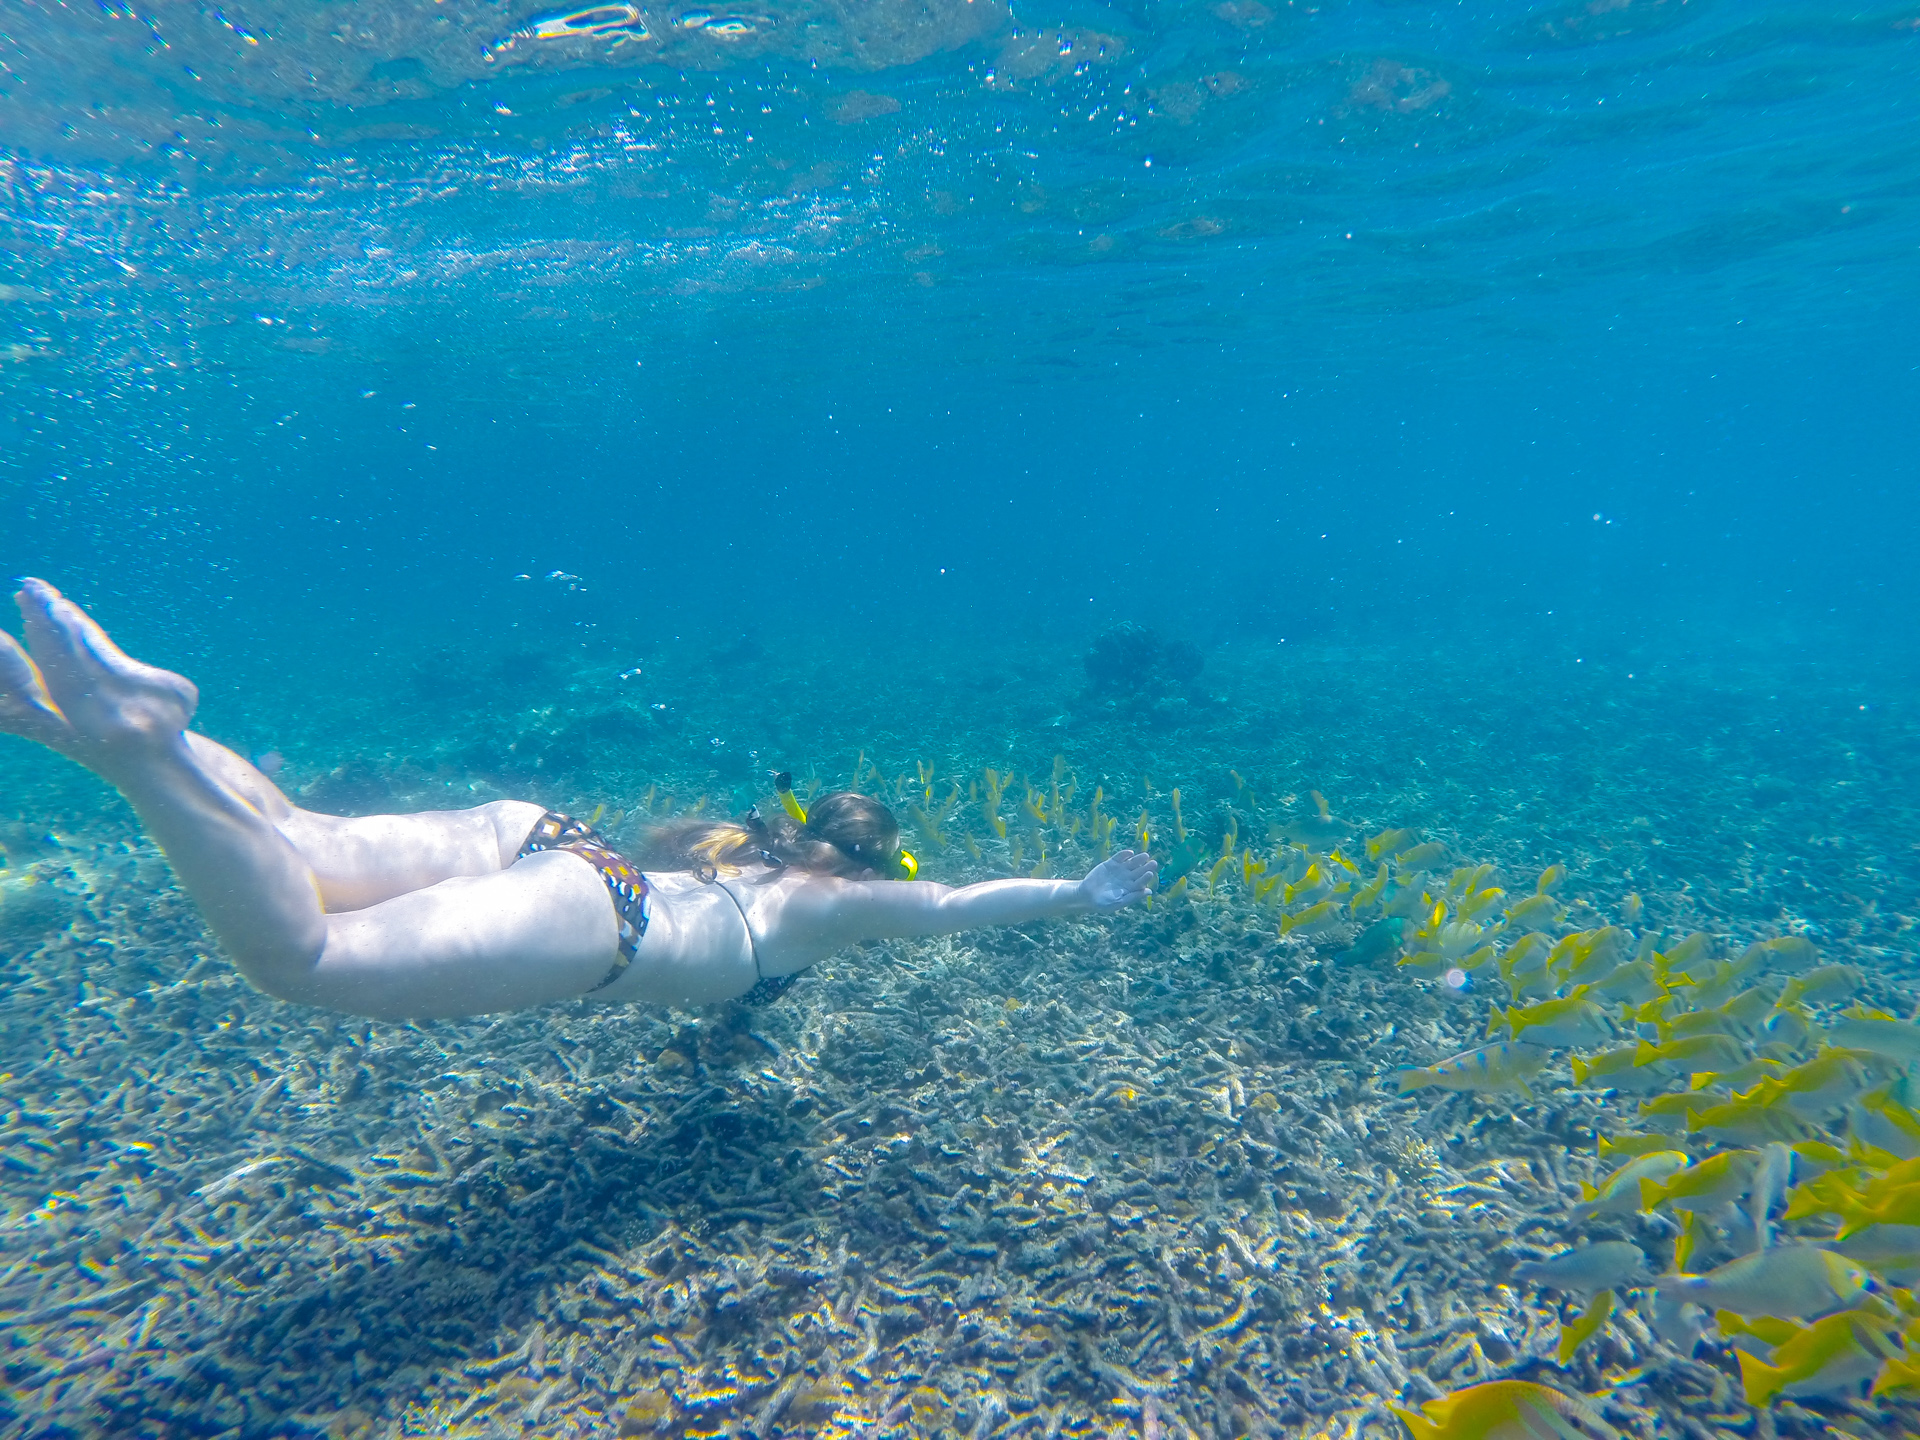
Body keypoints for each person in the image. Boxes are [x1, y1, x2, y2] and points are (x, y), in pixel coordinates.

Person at [0, 579, 1157, 1020]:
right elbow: (958, 907)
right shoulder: (840, 904)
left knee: (304, 836)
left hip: (553, 841)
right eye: (896, 867)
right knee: (299, 959)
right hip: (600, 923)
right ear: (864, 867)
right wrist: (1081, 891)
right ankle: (140, 748)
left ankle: (119, 730)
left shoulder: (757, 854)